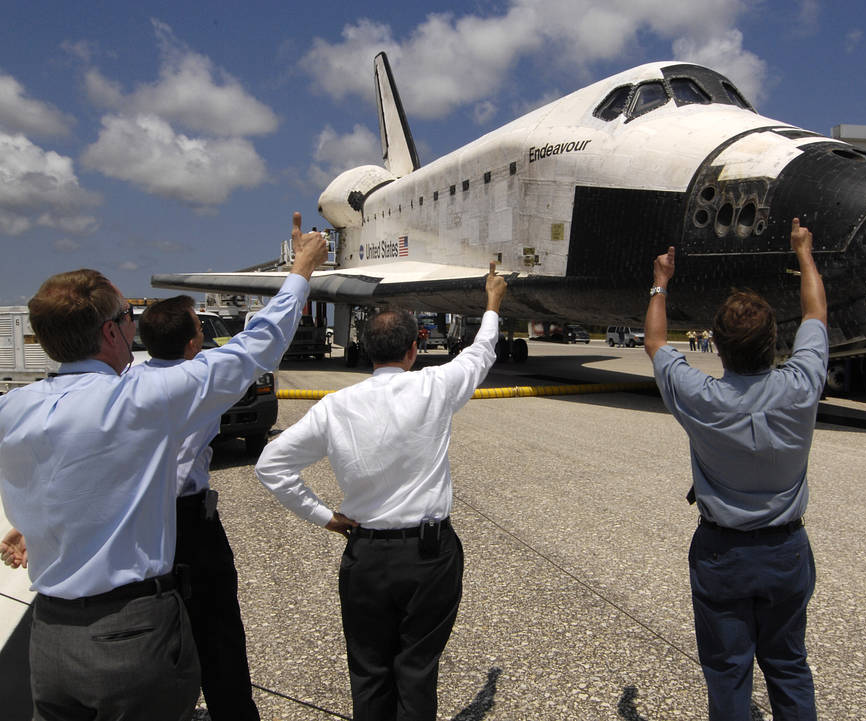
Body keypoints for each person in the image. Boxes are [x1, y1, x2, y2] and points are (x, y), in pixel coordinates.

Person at [0, 213, 328, 721]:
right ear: (111, 331)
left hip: (50, 635)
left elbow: (71, 477)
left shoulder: (14, 408)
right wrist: (301, 270)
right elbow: (256, 346)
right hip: (129, 634)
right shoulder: (140, 399)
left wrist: (35, 525)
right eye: (129, 315)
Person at [255, 263, 508, 721]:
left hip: (366, 554)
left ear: (367, 350)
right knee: (416, 669)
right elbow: (480, 352)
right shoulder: (434, 386)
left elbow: (271, 465)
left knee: (369, 672)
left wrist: (324, 516)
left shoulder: (336, 407)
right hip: (429, 555)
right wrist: (492, 301)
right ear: (415, 349)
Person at [644, 218, 827, 721]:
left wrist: (661, 281)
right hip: (787, 550)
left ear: (717, 347)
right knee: (789, 665)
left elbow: (657, 345)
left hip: (723, 553)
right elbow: (816, 313)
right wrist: (803, 254)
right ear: (774, 342)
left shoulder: (702, 397)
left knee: (728, 673)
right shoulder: (801, 386)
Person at [138, 295, 262, 720]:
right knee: (219, 635)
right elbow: (259, 344)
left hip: (136, 524)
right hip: (190, 523)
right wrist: (299, 273)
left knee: (151, 633)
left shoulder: (126, 382)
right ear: (194, 343)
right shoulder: (203, 380)